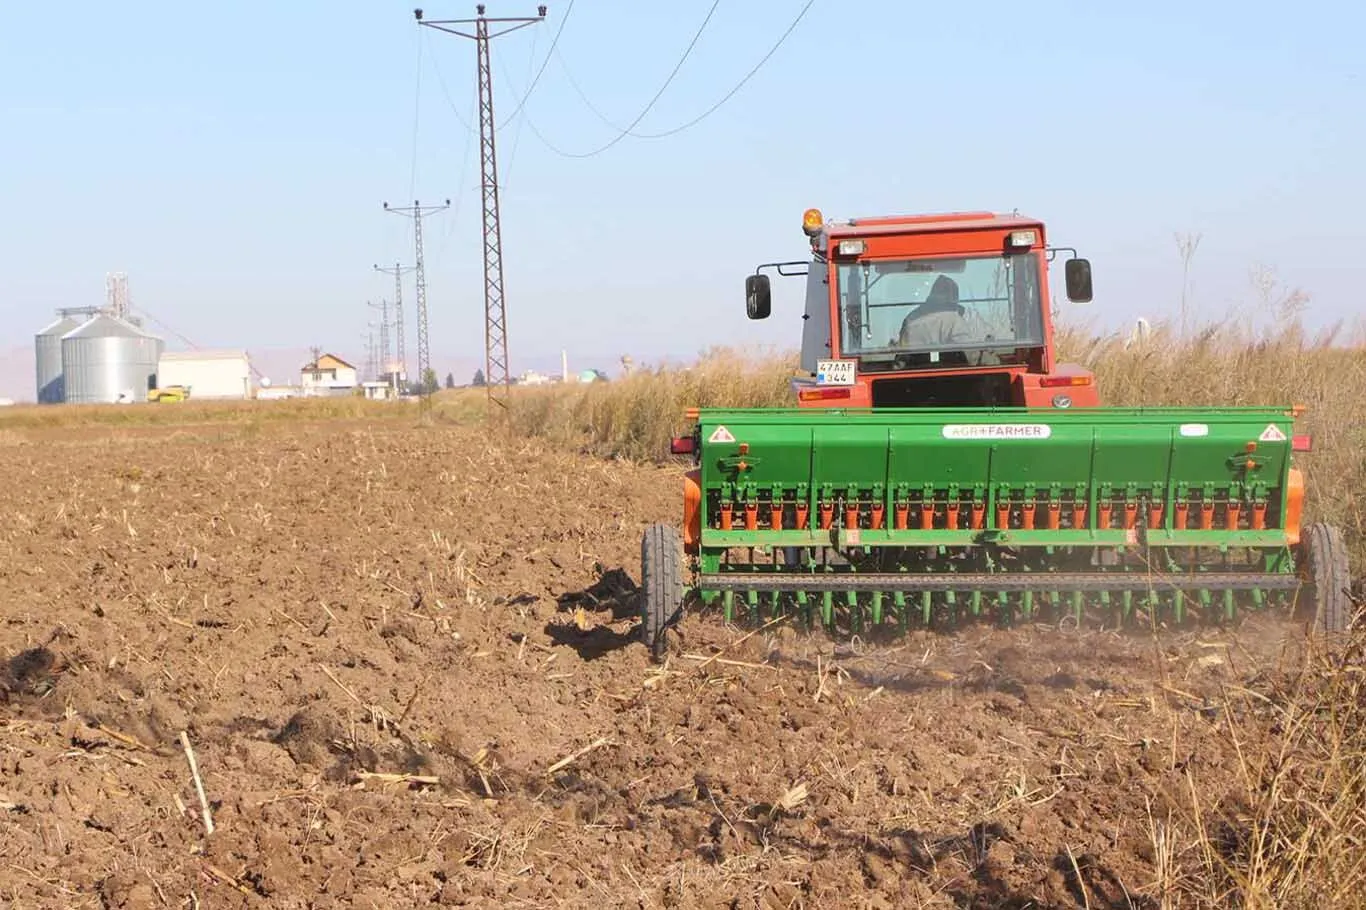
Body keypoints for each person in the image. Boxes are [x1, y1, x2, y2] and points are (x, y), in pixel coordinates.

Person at [897, 274, 972, 348]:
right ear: (954, 298)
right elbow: (967, 351)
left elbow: (902, 349)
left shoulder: (911, 318)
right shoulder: (955, 320)